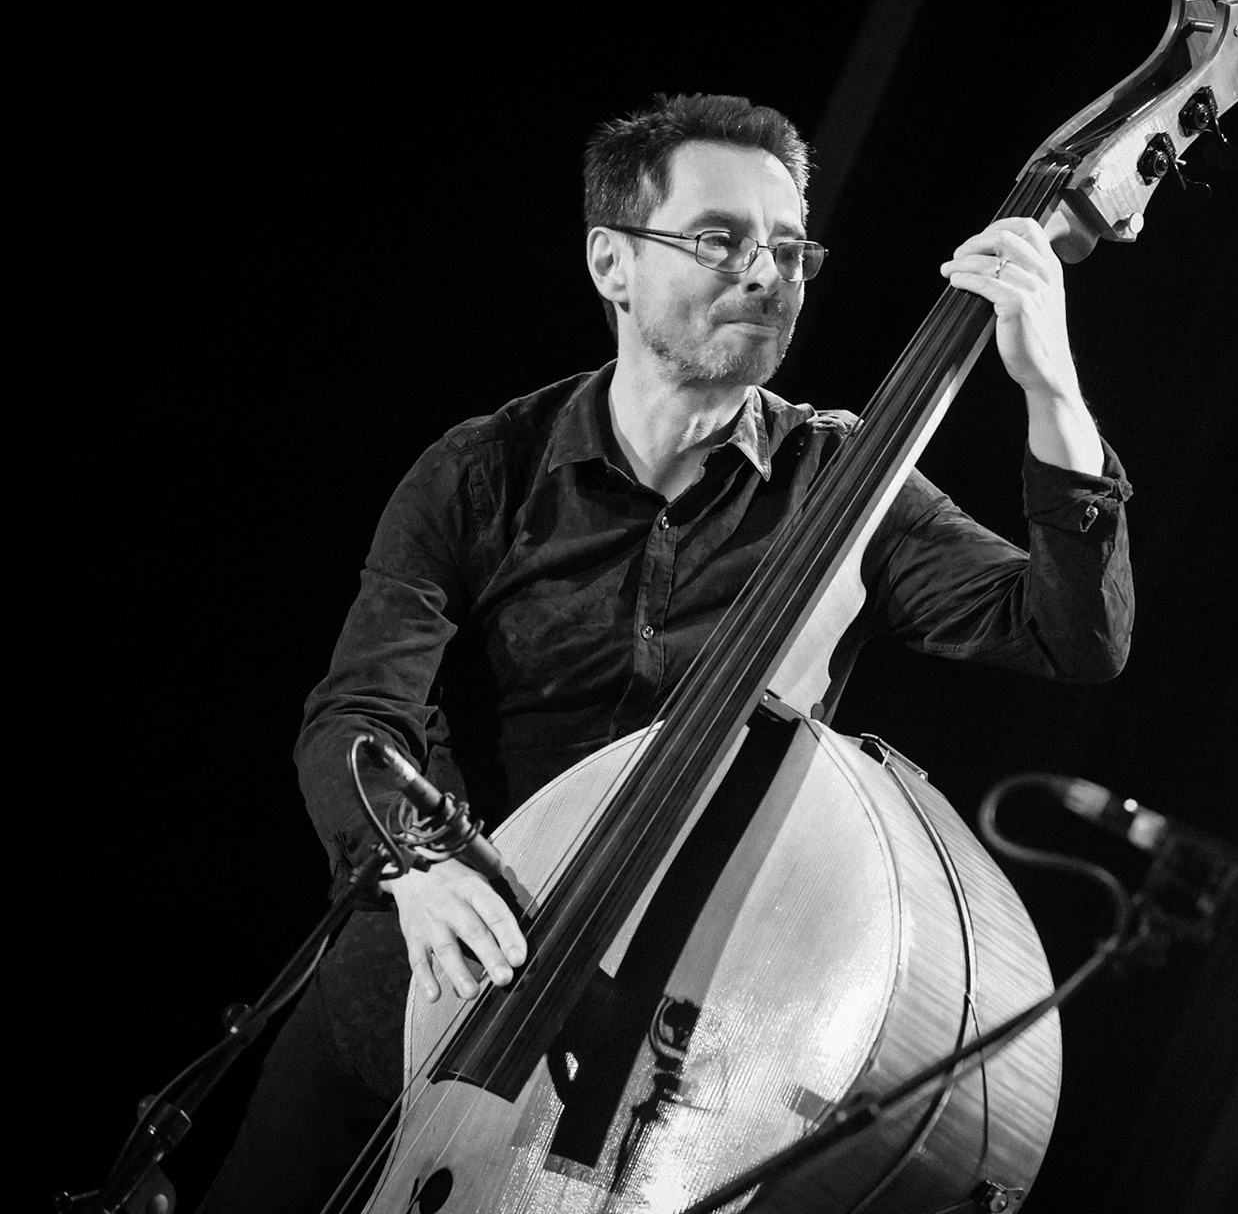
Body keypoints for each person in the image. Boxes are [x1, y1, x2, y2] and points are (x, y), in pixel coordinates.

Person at [199, 92, 1133, 1213]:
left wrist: (1051, 385)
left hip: (636, 1057)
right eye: (719, 240)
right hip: (411, 978)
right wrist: (418, 863)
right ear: (612, 262)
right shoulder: (484, 468)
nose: (766, 271)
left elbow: (1073, 633)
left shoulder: (852, 481)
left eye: (789, 246)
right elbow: (356, 713)